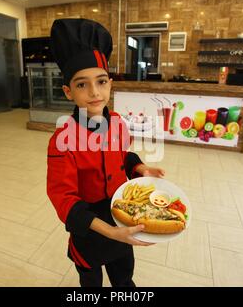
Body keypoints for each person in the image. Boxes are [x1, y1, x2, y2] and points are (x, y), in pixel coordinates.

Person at [46, 18, 165, 287]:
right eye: (81, 84)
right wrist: (109, 231)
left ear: (110, 84)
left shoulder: (119, 123)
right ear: (68, 91)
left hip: (120, 213)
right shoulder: (62, 140)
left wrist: (140, 168)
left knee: (124, 277)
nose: (94, 92)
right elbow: (63, 199)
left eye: (101, 81)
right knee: (91, 281)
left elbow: (122, 156)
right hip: (89, 226)